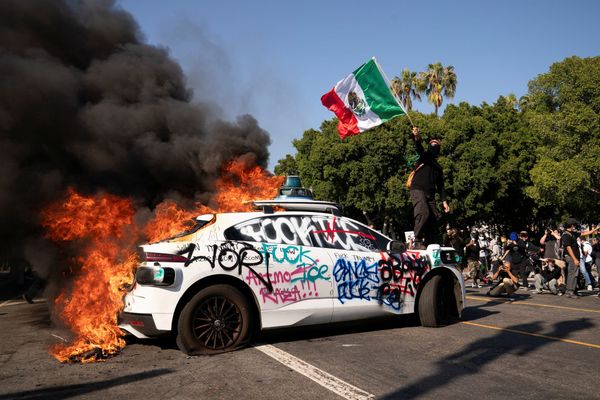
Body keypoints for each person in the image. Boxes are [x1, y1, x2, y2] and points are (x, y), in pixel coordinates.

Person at [408, 127, 450, 247]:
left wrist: (444, 201)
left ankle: (430, 242)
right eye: (431, 143)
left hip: (430, 195)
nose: (433, 145)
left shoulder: (438, 168)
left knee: (435, 217)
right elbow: (419, 147)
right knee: (423, 212)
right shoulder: (424, 156)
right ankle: (417, 240)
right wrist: (416, 137)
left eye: (436, 144)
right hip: (418, 189)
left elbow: (441, 186)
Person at [562, 218, 581, 298]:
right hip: (572, 257)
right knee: (572, 274)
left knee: (573, 274)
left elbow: (583, 233)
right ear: (571, 225)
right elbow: (568, 247)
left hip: (574, 257)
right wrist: (575, 259)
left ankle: (570, 291)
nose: (575, 227)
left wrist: (596, 229)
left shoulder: (572, 233)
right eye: (574, 225)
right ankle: (570, 291)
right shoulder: (566, 235)